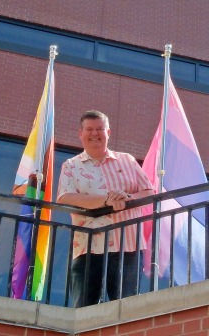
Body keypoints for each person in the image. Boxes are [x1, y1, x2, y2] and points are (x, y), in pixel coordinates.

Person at [57, 110, 154, 307]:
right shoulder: (71, 166)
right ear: (80, 133)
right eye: (89, 129)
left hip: (128, 246)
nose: (95, 133)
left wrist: (128, 198)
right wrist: (106, 201)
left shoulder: (127, 160)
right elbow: (65, 197)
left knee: (125, 310)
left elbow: (149, 193)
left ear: (108, 132)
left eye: (100, 129)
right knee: (83, 310)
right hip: (87, 247)